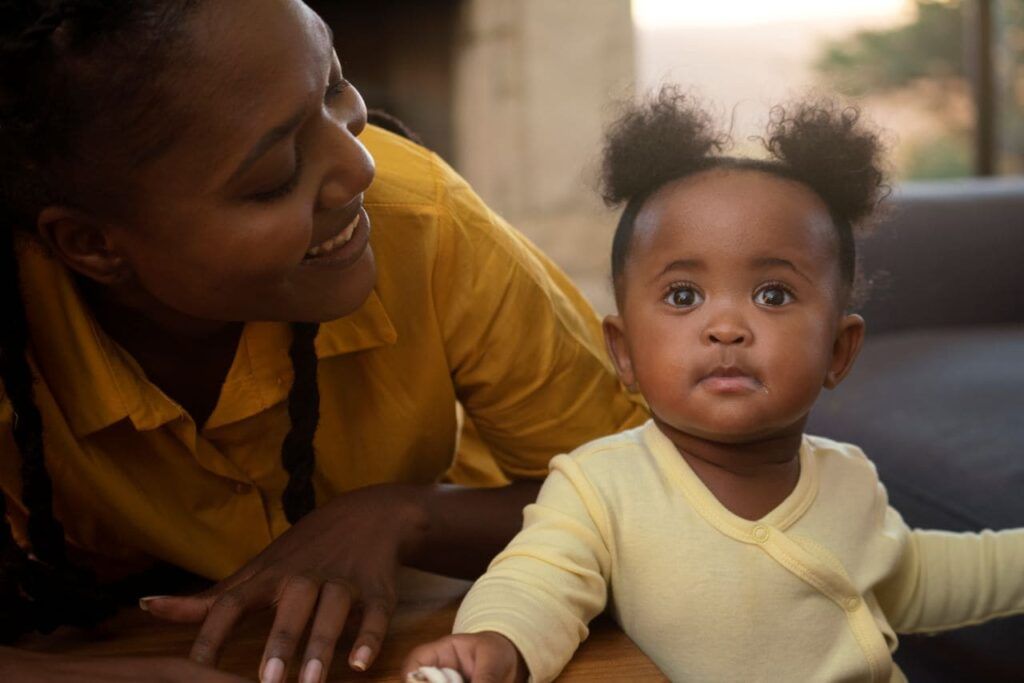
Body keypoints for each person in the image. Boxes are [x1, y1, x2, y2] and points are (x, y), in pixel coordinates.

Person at [0, 1, 646, 681]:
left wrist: (403, 515)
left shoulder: (419, 219)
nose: (360, 166)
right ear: (91, 245)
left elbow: (654, 500)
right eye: (277, 173)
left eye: (334, 84)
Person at [402, 89, 1024, 682]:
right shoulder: (600, 488)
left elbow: (915, 576)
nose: (726, 327)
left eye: (772, 295)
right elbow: (537, 580)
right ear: (624, 352)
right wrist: (494, 641)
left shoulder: (849, 479)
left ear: (838, 350)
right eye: (683, 296)